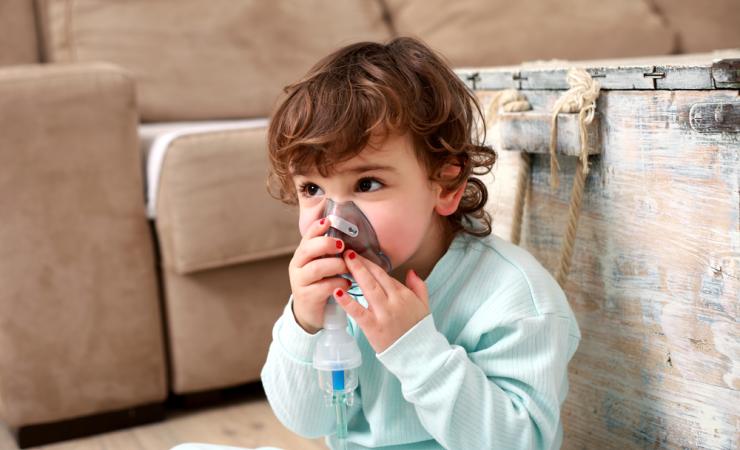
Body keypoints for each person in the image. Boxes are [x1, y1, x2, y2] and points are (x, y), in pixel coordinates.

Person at [174, 36, 580, 450]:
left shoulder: (512, 296)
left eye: (367, 184)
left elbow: (521, 442)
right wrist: (304, 323)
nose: (335, 218)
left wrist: (415, 347)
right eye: (311, 188)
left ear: (445, 184)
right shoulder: (333, 286)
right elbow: (306, 421)